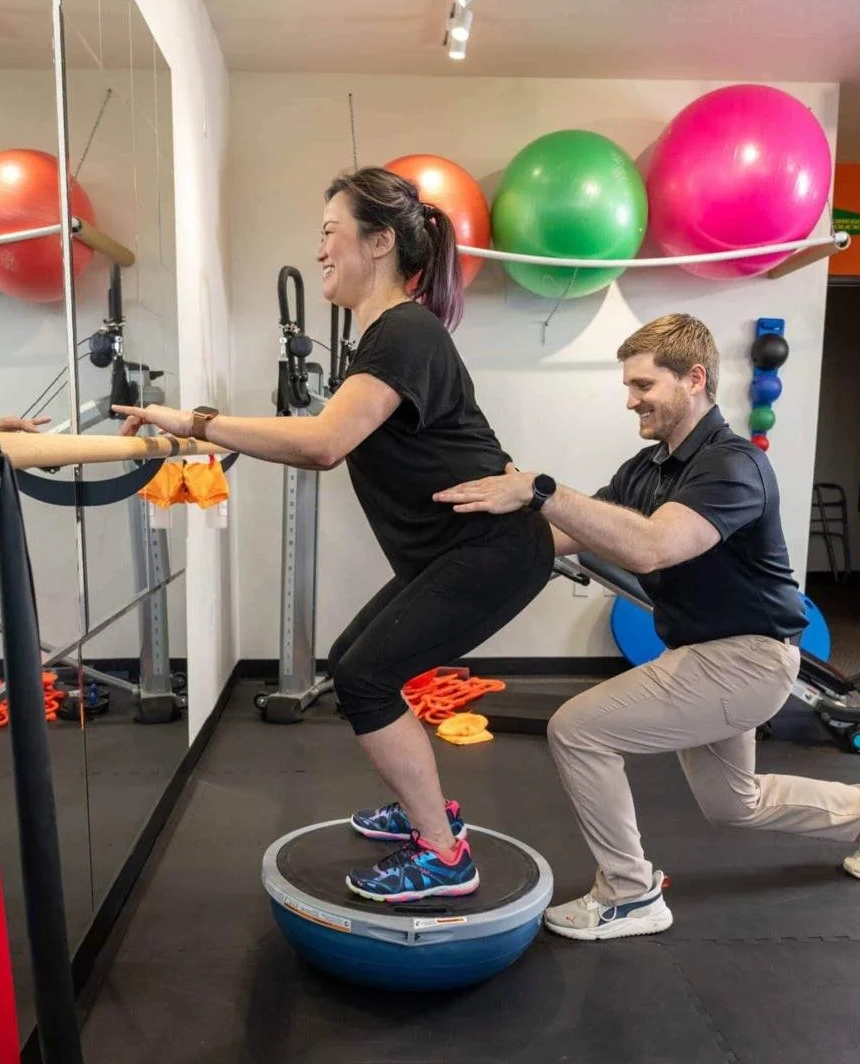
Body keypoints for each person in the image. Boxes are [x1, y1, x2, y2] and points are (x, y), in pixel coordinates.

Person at [114, 167, 555, 903]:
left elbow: (324, 441)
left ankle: (445, 856)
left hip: (490, 552)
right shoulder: (389, 336)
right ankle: (427, 810)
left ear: (379, 242)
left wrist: (192, 421)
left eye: (329, 231)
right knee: (354, 659)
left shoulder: (404, 330)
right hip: (456, 553)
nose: (319, 250)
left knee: (363, 678)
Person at [434, 312, 860, 940]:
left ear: (694, 379)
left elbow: (652, 546)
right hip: (705, 656)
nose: (631, 400)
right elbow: (567, 533)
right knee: (735, 803)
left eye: (644, 385)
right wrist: (475, 534)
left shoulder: (732, 466)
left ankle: (629, 893)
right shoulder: (647, 470)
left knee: (578, 730)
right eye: (629, 386)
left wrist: (540, 486)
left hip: (748, 658)